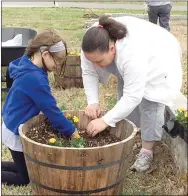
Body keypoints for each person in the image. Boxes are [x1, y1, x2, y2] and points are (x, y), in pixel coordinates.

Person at [81, 15, 182, 172]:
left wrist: (105, 121)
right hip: (134, 58)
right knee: (124, 91)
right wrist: (92, 101)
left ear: (112, 49)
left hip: (160, 56)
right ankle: (136, 130)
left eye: (99, 62)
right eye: (92, 61)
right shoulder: (92, 42)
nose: (96, 66)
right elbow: (88, 72)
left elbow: (133, 96)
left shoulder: (131, 52)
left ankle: (147, 151)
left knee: (151, 103)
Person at [2, 29, 80, 186]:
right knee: (26, 179)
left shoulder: (26, 62)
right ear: (45, 55)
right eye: (57, 61)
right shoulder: (36, 79)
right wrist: (72, 132)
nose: (58, 66)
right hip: (15, 131)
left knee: (24, 166)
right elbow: (51, 110)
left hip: (10, 122)